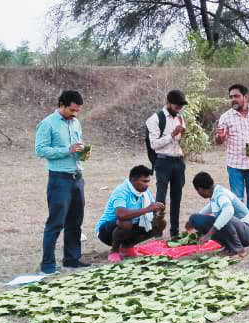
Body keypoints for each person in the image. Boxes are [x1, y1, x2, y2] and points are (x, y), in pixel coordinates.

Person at [35, 90, 88, 274]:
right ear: (62, 105)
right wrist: (67, 150)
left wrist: (82, 151)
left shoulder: (76, 123)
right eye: (72, 110)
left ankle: (72, 259)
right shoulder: (47, 124)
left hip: (77, 177)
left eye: (78, 110)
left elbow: (77, 145)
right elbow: (40, 150)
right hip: (59, 180)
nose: (75, 114)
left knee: (75, 221)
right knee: (56, 222)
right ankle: (48, 265)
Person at [214, 83, 249, 235]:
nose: (233, 99)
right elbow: (219, 141)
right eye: (231, 97)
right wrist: (220, 137)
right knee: (237, 199)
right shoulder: (225, 117)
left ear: (245, 97)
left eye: (236, 96)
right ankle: (239, 229)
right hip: (235, 165)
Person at [95, 165, 165, 262]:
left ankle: (127, 247)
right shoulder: (121, 191)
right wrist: (148, 209)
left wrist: (159, 212)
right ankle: (114, 251)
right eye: (144, 181)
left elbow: (151, 212)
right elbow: (121, 215)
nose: (147, 185)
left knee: (160, 224)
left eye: (148, 181)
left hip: (130, 227)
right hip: (107, 231)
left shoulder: (145, 192)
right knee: (125, 222)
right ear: (133, 180)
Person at [147, 90, 188, 237]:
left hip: (179, 161)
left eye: (181, 105)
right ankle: (157, 233)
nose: (179, 108)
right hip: (163, 161)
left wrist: (183, 135)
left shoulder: (181, 118)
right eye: (177, 105)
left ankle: (175, 232)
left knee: (177, 197)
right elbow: (154, 145)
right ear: (169, 103)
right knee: (161, 198)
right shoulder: (155, 119)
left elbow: (182, 141)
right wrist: (172, 135)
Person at [188, 171, 249, 257]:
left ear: (201, 189)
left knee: (223, 217)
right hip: (239, 230)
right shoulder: (214, 194)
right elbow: (208, 209)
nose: (198, 193)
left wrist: (209, 234)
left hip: (248, 233)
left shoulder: (221, 195)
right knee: (195, 219)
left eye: (197, 191)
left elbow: (228, 212)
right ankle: (229, 246)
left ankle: (239, 249)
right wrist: (191, 222)